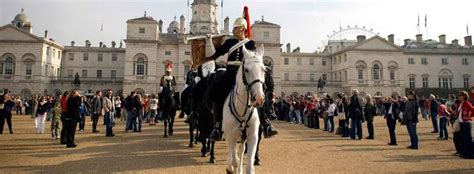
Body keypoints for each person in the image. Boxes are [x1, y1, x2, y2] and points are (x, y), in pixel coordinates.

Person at [208, 17, 277, 141]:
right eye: (234, 28)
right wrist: (209, 42)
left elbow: (255, 59)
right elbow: (214, 54)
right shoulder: (229, 43)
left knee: (260, 93)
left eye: (237, 28)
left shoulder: (250, 44)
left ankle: (266, 123)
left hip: (246, 73)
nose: (234, 30)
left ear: (243, 29)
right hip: (230, 73)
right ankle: (217, 127)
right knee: (217, 92)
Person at [456, 91, 473, 159]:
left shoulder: (467, 103)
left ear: (464, 96)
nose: (459, 96)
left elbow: (472, 110)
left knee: (467, 139)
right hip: (461, 123)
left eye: (460, 95)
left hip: (466, 123)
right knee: (462, 139)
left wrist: (469, 117)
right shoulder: (461, 103)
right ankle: (464, 153)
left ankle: (470, 154)